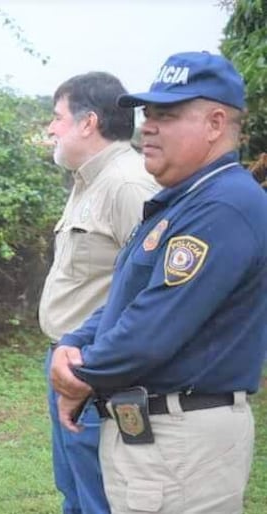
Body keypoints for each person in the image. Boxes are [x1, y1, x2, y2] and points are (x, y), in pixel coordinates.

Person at [50, 51, 267, 514]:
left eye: (166, 115)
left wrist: (80, 374)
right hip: (154, 436)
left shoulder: (222, 207)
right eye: (148, 113)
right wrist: (74, 342)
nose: (147, 125)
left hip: (182, 442)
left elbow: (153, 327)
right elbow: (127, 300)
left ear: (214, 124)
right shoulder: (181, 201)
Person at [39, 72, 159, 514]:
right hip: (65, 359)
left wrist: (99, 364)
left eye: (57, 117)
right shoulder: (88, 181)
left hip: (97, 369)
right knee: (73, 487)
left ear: (88, 123)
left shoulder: (129, 185)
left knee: (99, 495)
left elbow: (151, 289)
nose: (51, 128)